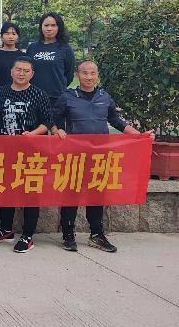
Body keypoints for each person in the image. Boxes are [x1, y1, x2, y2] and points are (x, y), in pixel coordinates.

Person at [52, 60, 154, 253]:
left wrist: (141, 136)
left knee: (96, 195)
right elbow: (53, 118)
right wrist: (57, 130)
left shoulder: (104, 97)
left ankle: (96, 234)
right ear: (77, 75)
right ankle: (68, 234)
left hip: (99, 157)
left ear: (97, 75)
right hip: (74, 156)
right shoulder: (67, 97)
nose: (89, 77)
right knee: (71, 194)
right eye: (84, 73)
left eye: (92, 73)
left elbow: (117, 121)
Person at [0, 56, 51, 253]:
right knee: (7, 190)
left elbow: (47, 122)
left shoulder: (39, 94)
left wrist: (33, 134)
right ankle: (6, 230)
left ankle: (27, 235)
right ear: (11, 72)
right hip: (6, 151)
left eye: (26, 70)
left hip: (31, 152)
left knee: (30, 192)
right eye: (18, 69)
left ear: (32, 74)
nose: (21, 73)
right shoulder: (0, 92)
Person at [27, 12, 75, 109]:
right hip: (33, 96)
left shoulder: (65, 49)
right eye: (46, 25)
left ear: (59, 27)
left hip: (57, 98)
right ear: (41, 27)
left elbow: (69, 75)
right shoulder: (32, 48)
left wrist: (58, 86)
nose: (49, 28)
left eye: (53, 25)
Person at [0, 22, 26, 89]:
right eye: (7, 34)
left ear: (18, 37)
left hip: (18, 91)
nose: (10, 36)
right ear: (1, 37)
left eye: (14, 34)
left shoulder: (23, 56)